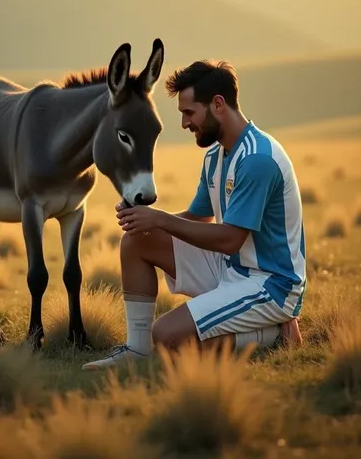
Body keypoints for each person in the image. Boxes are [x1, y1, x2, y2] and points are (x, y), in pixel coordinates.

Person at [82, 59, 306, 370]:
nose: (185, 123)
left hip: (270, 284)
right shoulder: (216, 155)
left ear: (217, 105)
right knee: (137, 239)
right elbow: (198, 218)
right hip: (231, 268)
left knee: (168, 337)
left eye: (189, 113)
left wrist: (160, 219)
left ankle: (272, 333)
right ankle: (136, 351)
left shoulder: (257, 159)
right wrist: (146, 219)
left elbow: (229, 238)